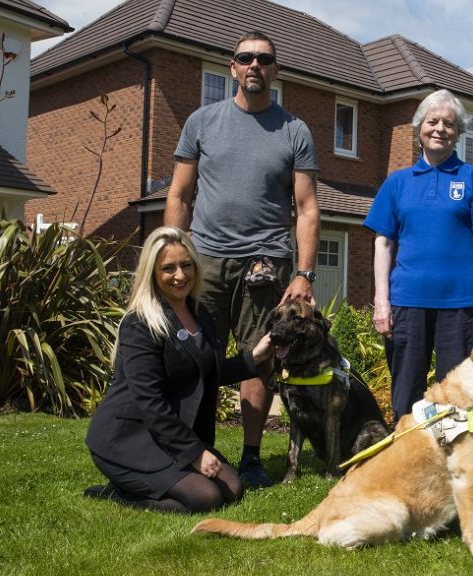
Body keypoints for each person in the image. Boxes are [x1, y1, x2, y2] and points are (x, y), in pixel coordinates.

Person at [164, 31, 319, 488]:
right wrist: (170, 253)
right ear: (232, 67)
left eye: (264, 59)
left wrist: (305, 273)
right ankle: (198, 448)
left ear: (275, 70)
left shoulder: (294, 130)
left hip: (265, 264)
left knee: (261, 357)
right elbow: (179, 193)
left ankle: (251, 457)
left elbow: (307, 208)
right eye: (245, 58)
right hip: (205, 260)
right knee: (198, 356)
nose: (255, 65)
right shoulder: (202, 121)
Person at [84, 227, 274, 513]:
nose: (180, 275)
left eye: (186, 265)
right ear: (152, 272)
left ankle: (136, 485)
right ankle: (118, 493)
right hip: (128, 438)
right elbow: (149, 402)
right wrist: (195, 453)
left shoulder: (200, 313)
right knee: (205, 498)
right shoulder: (141, 323)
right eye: (168, 268)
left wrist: (255, 357)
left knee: (232, 489)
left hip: (168, 432)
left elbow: (206, 371)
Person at [364, 89, 473, 423]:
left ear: (458, 133)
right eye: (433, 121)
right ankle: (406, 458)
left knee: (458, 394)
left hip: (461, 306)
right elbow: (382, 245)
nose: (440, 128)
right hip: (407, 303)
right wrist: (381, 302)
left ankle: (454, 463)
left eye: (449, 123)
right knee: (405, 393)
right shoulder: (397, 183)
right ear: (419, 128)